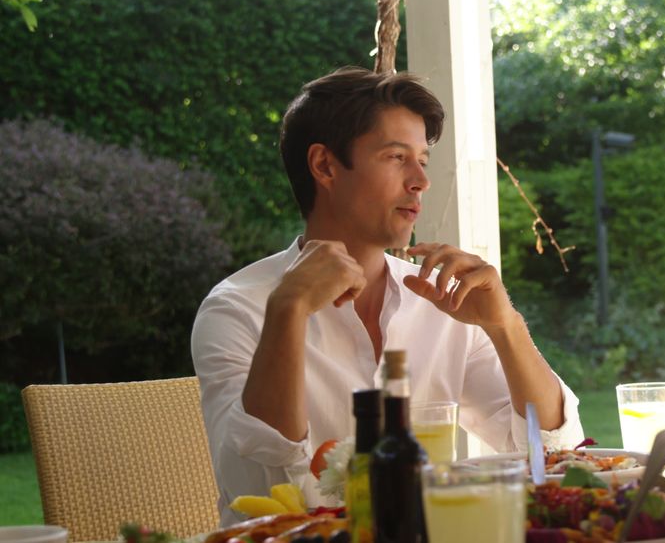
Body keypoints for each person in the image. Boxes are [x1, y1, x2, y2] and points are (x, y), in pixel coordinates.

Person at [191, 67, 583, 523]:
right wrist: (289, 309)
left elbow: (553, 454)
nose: (420, 180)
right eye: (397, 157)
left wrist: (505, 327)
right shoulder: (238, 308)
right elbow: (261, 494)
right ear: (325, 165)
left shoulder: (440, 304)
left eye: (422, 159)